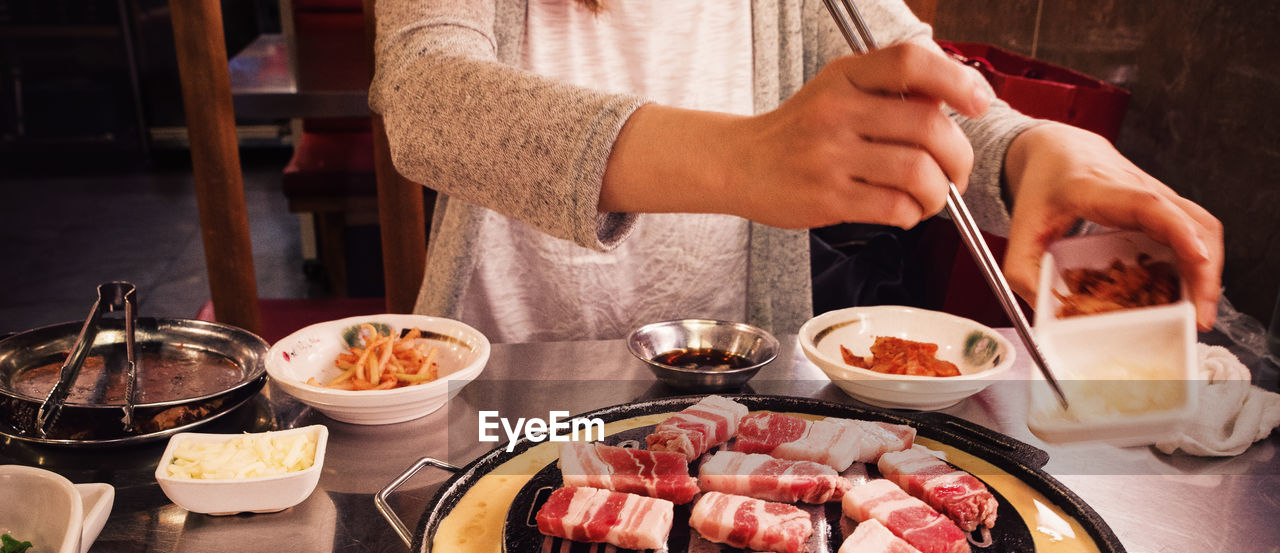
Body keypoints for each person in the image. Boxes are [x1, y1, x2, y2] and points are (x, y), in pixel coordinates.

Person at [370, 0, 1222, 344]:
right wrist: (742, 159)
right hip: (508, 394)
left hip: (724, 397)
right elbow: (423, 96)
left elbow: (931, 88)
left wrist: (1034, 148)